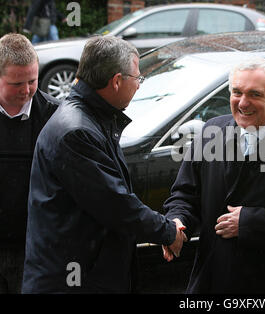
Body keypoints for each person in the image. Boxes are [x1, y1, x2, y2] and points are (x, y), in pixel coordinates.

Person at [21, 36, 186, 293]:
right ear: (117, 81)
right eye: (138, 79)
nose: (139, 86)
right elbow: (115, 204)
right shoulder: (76, 131)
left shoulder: (91, 118)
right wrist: (167, 231)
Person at [162, 56, 265, 293]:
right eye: (237, 92)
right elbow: (185, 194)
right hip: (211, 279)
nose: (242, 103)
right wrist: (178, 222)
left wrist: (250, 222)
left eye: (255, 94)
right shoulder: (212, 132)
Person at [0, 33, 60, 294]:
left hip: (35, 248)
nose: (26, 91)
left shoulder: (54, 116)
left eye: (32, 81)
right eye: (16, 83)